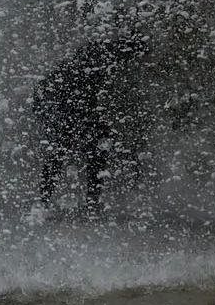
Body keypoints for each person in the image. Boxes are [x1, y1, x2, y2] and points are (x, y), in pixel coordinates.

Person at [31, 37, 147, 218]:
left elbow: (43, 91)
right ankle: (88, 200)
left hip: (70, 111)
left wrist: (45, 116)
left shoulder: (86, 61)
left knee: (64, 153)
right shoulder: (99, 62)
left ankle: (48, 199)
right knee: (91, 152)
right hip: (71, 111)